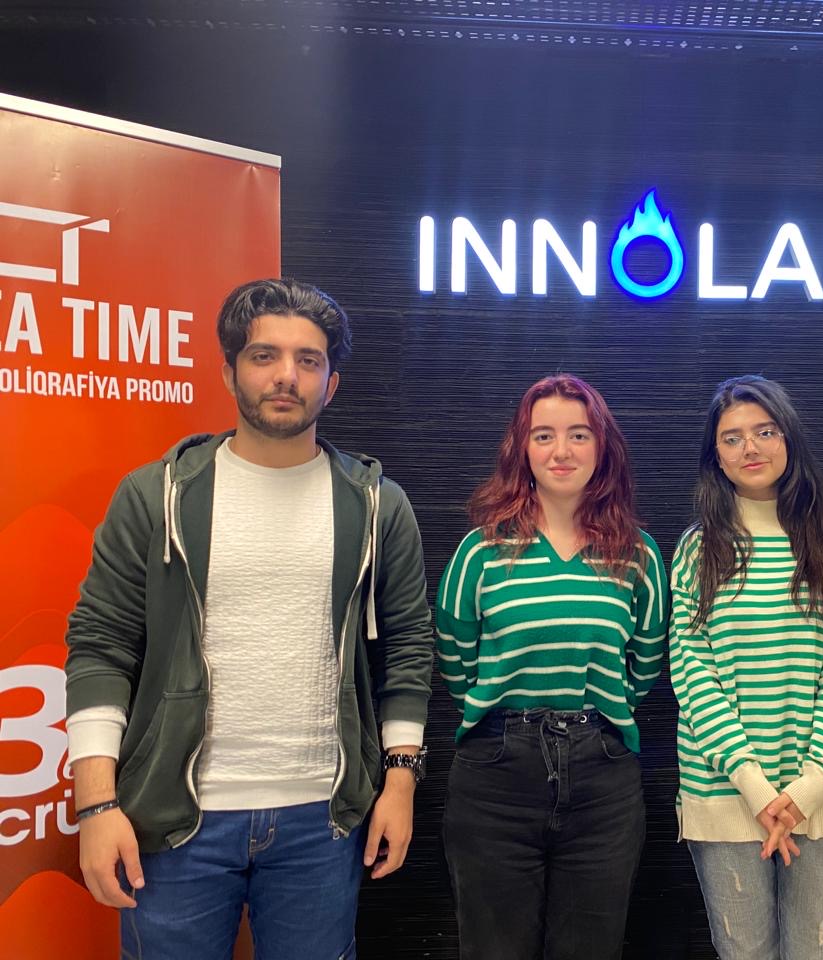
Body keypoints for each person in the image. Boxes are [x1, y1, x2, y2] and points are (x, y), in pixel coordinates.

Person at [64, 278, 434, 959]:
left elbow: (408, 645)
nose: (286, 375)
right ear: (229, 371)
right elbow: (100, 646)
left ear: (332, 382)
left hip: (323, 820)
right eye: (264, 355)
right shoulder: (155, 495)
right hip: (172, 820)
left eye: (308, 359)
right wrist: (96, 803)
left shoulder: (378, 505)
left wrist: (401, 780)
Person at [435, 373, 668, 960]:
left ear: (602, 446)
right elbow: (454, 656)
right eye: (544, 435)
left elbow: (645, 662)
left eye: (578, 435)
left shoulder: (638, 554)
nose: (561, 451)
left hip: (603, 779)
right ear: (523, 448)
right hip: (495, 777)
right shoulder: (480, 550)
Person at [669, 375, 823, 960]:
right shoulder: (697, 550)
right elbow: (693, 677)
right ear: (716, 456)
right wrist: (756, 788)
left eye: (764, 431)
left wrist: (809, 788)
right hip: (724, 794)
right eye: (731, 438)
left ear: (789, 440)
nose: (749, 448)